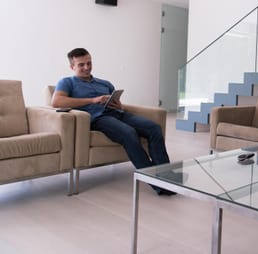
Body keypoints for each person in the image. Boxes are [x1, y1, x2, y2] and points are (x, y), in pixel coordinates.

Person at [52, 48, 174, 195]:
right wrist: (93, 100)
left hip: (118, 114)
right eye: (81, 65)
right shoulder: (67, 82)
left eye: (89, 63)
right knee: (129, 133)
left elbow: (118, 103)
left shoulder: (105, 83)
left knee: (154, 128)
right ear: (72, 67)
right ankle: (156, 182)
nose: (87, 67)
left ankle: (166, 176)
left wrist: (118, 105)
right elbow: (57, 101)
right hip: (99, 119)